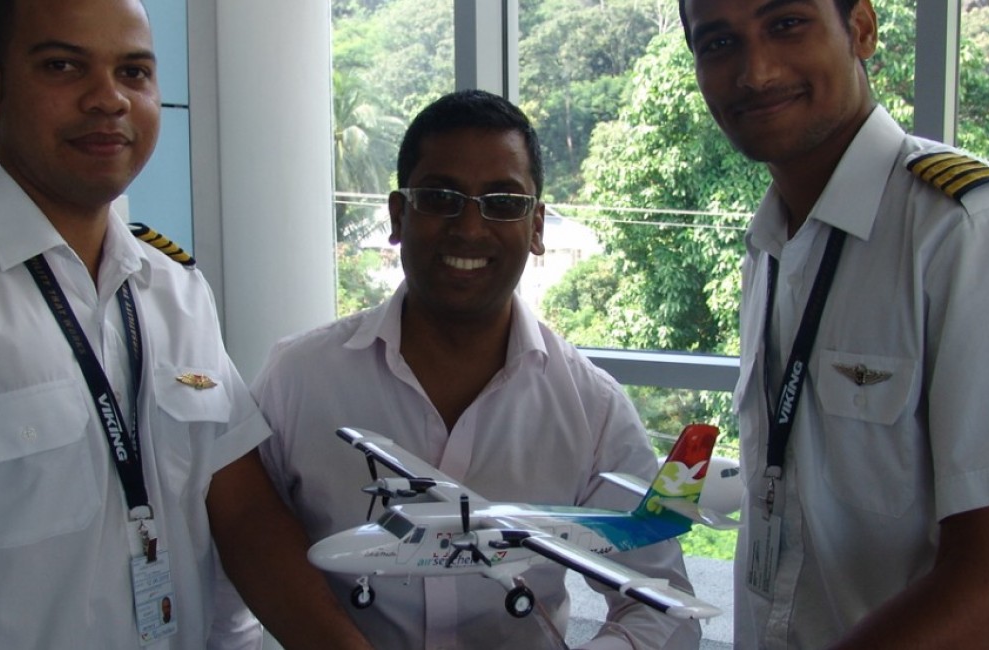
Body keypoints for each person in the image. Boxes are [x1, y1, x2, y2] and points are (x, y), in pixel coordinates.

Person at [0, 0, 371, 648]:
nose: (108, 99)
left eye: (134, 73)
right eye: (63, 66)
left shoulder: (176, 290)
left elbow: (245, 514)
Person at [676, 0, 989, 647]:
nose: (755, 71)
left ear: (863, 29)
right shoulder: (772, 246)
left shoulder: (975, 231)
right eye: (717, 44)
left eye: (786, 24)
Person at [211, 89, 703, 650]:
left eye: (503, 201)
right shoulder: (298, 378)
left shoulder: (592, 406)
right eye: (442, 197)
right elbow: (240, 547)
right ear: (399, 216)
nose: (470, 229)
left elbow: (665, 604)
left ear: (537, 226)